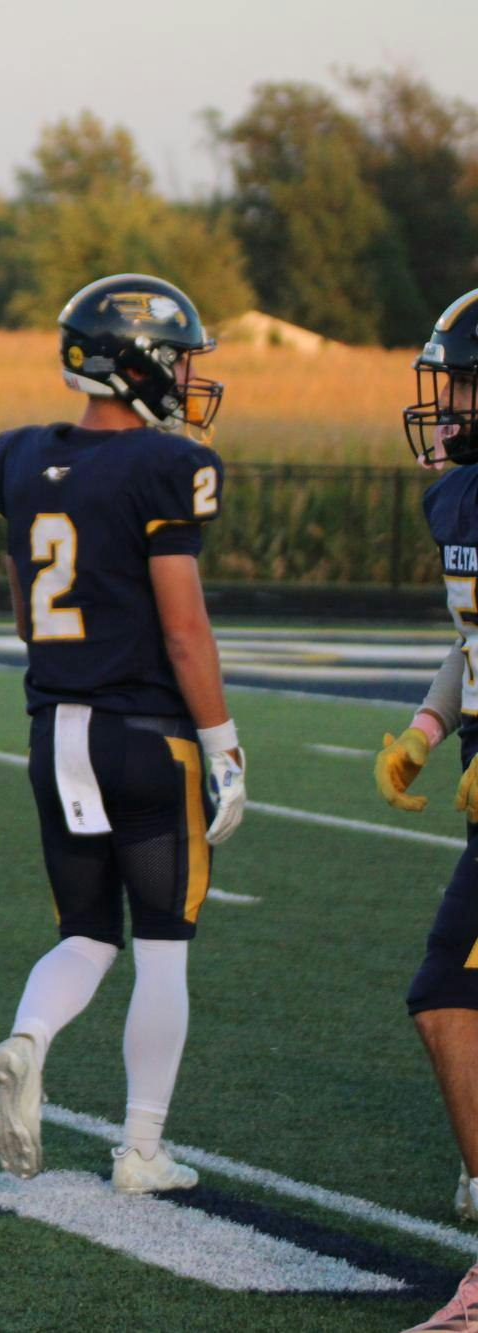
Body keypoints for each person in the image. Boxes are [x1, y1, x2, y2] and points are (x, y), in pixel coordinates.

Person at [0, 273, 246, 1198]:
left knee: (89, 934)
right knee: (164, 942)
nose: (181, 374)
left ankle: (30, 1037)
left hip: (55, 728)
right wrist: (222, 743)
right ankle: (141, 1149)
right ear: (131, 362)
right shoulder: (165, 467)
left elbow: (24, 613)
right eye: (172, 357)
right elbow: (184, 628)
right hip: (146, 734)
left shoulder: (15, 456)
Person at [371, 288, 478, 1333]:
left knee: (446, 997)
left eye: (459, 383)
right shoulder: (456, 498)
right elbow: (472, 633)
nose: (442, 404)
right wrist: (426, 724)